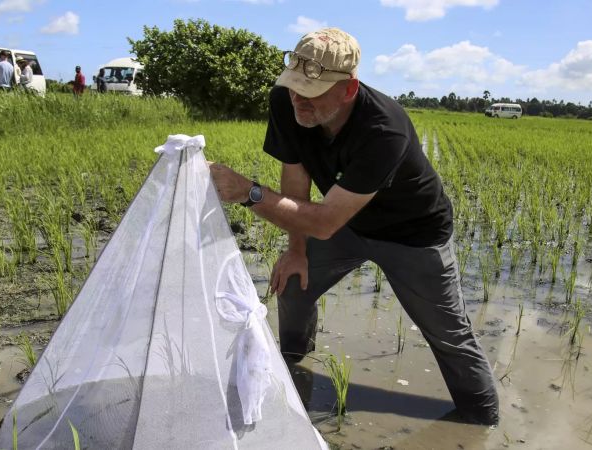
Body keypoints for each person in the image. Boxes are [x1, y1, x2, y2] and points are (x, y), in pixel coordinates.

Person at [208, 28, 499, 426]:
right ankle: (292, 365)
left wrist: (250, 193)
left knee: (450, 337)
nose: (298, 100)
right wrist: (296, 251)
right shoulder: (286, 101)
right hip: (345, 221)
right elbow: (296, 177)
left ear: (348, 89)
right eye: (293, 87)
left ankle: (481, 421)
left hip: (413, 235)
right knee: (294, 284)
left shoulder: (384, 129)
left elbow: (325, 222)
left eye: (311, 92)